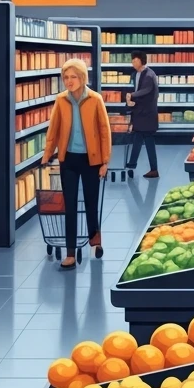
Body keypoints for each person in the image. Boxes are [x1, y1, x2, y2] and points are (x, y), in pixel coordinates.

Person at [42, 58, 111, 269]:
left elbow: (104, 131)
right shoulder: (61, 100)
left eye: (73, 77)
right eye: (66, 77)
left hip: (91, 160)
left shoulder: (95, 99)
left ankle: (95, 241)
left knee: (91, 204)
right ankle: (70, 252)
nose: (69, 81)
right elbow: (53, 130)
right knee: (69, 206)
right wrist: (46, 156)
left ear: (82, 78)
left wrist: (105, 161)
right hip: (69, 160)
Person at [125, 50, 159, 178]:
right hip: (140, 114)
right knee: (138, 138)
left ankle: (153, 169)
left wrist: (131, 96)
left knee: (147, 140)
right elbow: (132, 89)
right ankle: (132, 164)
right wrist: (129, 98)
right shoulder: (136, 74)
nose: (132, 62)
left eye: (135, 60)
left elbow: (146, 90)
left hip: (147, 115)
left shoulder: (149, 75)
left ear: (141, 60)